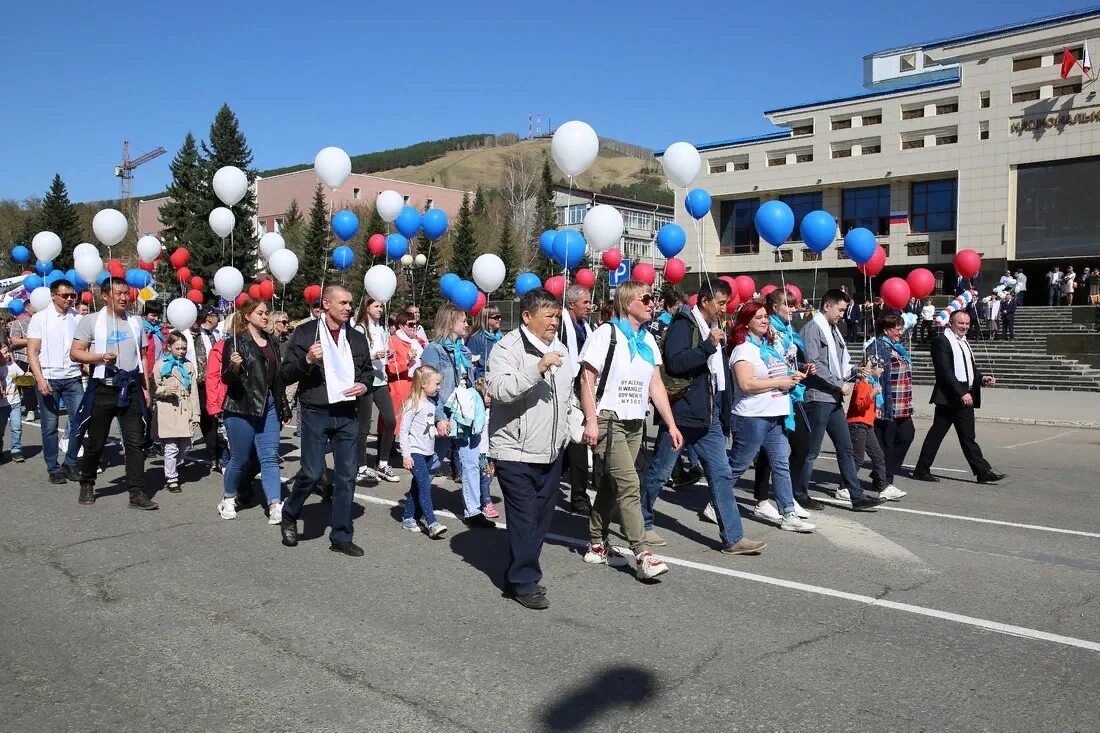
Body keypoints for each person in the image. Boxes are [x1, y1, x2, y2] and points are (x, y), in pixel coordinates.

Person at [638, 279, 767, 555]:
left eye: (726, 304)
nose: (723, 309)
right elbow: (676, 362)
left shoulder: (713, 328)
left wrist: (723, 412)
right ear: (705, 301)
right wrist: (707, 346)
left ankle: (733, 538)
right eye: (720, 303)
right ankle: (641, 522)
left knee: (720, 475)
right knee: (660, 473)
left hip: (707, 418)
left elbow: (719, 377)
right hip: (683, 415)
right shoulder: (684, 323)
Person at [578, 280, 678, 579]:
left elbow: (656, 385)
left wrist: (671, 423)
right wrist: (592, 420)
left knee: (612, 484)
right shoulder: (606, 334)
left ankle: (596, 543)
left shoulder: (647, 341)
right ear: (627, 302)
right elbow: (587, 378)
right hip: (609, 419)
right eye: (645, 298)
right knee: (630, 484)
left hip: (635, 421)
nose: (652, 303)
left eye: (653, 298)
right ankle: (642, 553)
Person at [486, 288, 573, 610]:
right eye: (548, 315)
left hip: (551, 449)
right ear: (527, 317)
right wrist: (536, 369)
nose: (555, 321)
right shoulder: (506, 348)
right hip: (514, 449)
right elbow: (500, 390)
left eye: (557, 315)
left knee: (540, 519)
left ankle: (519, 572)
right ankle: (525, 581)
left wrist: (576, 426)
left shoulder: (561, 348)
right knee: (524, 517)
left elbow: (567, 397)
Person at [279, 286, 372, 556]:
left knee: (346, 476)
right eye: (342, 302)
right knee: (310, 472)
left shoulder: (356, 337)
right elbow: (285, 374)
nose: (348, 307)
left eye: (350, 303)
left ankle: (341, 535)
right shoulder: (306, 333)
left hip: (346, 414)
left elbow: (366, 372)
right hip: (315, 412)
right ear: (327, 304)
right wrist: (307, 360)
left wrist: (364, 386)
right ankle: (290, 513)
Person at [727, 301, 816, 532]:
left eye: (765, 316)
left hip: (775, 415)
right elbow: (746, 384)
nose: (765, 321)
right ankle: (715, 501)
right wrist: (779, 382)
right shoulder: (743, 349)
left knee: (781, 464)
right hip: (751, 417)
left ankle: (788, 513)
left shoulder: (767, 347)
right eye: (758, 317)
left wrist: (794, 375)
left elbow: (779, 374)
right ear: (746, 323)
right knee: (738, 465)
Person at [69, 279, 157, 510]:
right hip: (103, 388)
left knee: (135, 443)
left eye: (126, 293)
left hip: (131, 388)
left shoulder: (137, 322)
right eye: (118, 293)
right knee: (96, 442)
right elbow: (75, 353)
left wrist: (146, 388)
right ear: (106, 296)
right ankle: (87, 483)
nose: (124, 298)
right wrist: (100, 357)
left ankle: (137, 493)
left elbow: (143, 358)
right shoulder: (91, 320)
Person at [794, 289, 884, 510]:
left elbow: (838, 364)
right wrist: (840, 384)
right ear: (827, 306)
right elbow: (815, 365)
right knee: (811, 451)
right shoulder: (812, 330)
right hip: (817, 398)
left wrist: (856, 370)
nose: (843, 315)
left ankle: (856, 495)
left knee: (846, 448)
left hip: (831, 399)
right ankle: (798, 493)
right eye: (840, 310)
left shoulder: (833, 330)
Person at [218, 298, 290, 524]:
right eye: (260, 312)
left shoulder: (271, 342)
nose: (265, 316)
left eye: (267, 312)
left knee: (269, 457)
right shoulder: (236, 342)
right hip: (242, 406)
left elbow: (277, 378)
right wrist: (235, 366)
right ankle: (228, 498)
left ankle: (275, 504)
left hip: (268, 405)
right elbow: (227, 378)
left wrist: (283, 404)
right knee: (240, 458)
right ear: (248, 316)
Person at [912, 311, 1006, 484]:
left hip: (965, 395)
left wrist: (982, 378)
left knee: (968, 437)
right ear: (951, 323)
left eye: (967, 324)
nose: (964, 327)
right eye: (961, 323)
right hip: (949, 397)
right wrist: (961, 393)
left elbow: (969, 368)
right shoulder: (942, 342)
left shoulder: (963, 342)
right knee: (936, 435)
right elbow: (945, 372)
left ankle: (982, 471)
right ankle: (921, 469)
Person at [422, 304, 494, 528]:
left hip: (467, 415)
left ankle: (473, 512)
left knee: (471, 462)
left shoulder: (463, 350)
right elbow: (429, 386)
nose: (466, 324)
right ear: (450, 322)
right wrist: (439, 416)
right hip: (446, 414)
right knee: (433, 462)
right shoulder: (434, 350)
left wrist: (480, 395)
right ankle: (417, 503)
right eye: (463, 321)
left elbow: (466, 382)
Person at [748, 289, 815, 524]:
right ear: (774, 307)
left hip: (790, 392)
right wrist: (787, 374)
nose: (793, 309)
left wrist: (803, 368)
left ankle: (785, 499)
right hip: (775, 392)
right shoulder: (771, 330)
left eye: (795, 305)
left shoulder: (788, 331)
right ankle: (761, 500)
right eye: (788, 304)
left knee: (795, 446)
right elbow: (771, 360)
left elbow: (787, 359)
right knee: (748, 457)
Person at [26, 278, 84, 484]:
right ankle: (53, 467)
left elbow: (83, 349)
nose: (70, 299)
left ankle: (70, 462)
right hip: (49, 378)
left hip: (73, 378)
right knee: (49, 425)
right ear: (53, 295)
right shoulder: (40, 318)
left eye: (72, 295)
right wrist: (39, 379)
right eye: (65, 295)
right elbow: (32, 352)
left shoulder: (77, 318)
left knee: (80, 421)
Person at [864, 314, 915, 497]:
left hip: (902, 405)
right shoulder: (877, 347)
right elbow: (872, 376)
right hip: (886, 404)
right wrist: (878, 403)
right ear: (886, 330)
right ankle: (883, 483)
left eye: (901, 328)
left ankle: (882, 475)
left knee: (907, 435)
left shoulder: (897, 348)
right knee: (886, 443)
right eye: (897, 328)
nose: (901, 332)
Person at [399, 364, 448, 539]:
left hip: (428, 451)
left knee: (417, 486)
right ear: (424, 384)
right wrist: (406, 455)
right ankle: (432, 523)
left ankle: (408, 517)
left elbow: (427, 428)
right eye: (436, 384)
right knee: (425, 486)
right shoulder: (413, 404)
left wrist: (440, 431)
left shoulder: (431, 404)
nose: (439, 387)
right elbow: (404, 431)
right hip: (415, 452)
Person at [558, 284, 595, 516]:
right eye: (586, 303)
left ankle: (579, 496)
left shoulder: (585, 327)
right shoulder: (561, 326)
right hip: (564, 390)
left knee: (578, 443)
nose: (590, 307)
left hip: (582, 390)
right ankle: (578, 496)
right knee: (573, 443)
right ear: (571, 304)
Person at [353, 297, 397, 483]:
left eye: (382, 306)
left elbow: (384, 351)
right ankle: (361, 466)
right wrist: (372, 356)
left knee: (390, 421)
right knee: (363, 425)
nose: (380, 309)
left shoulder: (382, 328)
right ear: (367, 307)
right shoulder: (359, 328)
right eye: (376, 306)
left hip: (381, 379)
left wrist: (388, 354)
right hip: (366, 380)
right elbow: (355, 356)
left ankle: (382, 463)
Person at [153, 331, 200, 494]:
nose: (181, 351)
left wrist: (196, 414)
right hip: (168, 409)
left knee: (186, 444)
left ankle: (173, 465)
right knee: (171, 446)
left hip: (185, 407)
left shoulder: (189, 365)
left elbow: (194, 391)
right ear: (168, 347)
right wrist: (166, 389)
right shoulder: (160, 365)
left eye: (184, 348)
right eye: (178, 348)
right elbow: (155, 388)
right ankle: (171, 478)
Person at [846, 353, 896, 497]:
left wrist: (875, 411)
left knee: (878, 455)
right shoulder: (863, 383)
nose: (882, 370)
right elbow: (859, 405)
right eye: (880, 367)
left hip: (867, 424)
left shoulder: (871, 383)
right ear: (871, 368)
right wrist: (872, 395)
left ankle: (883, 486)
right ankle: (844, 486)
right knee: (858, 458)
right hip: (857, 424)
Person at [387, 312, 425, 439]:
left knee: (411, 420)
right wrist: (407, 360)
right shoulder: (393, 341)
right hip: (399, 385)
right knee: (393, 420)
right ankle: (386, 449)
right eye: (410, 324)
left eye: (416, 324)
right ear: (401, 326)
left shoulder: (417, 342)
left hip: (415, 383)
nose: (414, 327)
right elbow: (391, 367)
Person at [0, 346, 24, 463]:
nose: (7, 355)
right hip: (2, 404)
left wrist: (28, 376)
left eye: (8, 352)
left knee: (17, 427)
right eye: (4, 353)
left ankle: (16, 450)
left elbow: (22, 377)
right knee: (0, 429)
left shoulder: (13, 366)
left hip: (15, 401)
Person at [466, 306, 503, 382]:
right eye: (496, 317)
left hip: (499, 379)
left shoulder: (501, 337)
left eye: (500, 316)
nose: (500, 319)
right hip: (482, 382)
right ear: (486, 319)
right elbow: (470, 364)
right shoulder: (475, 338)